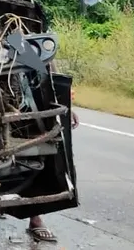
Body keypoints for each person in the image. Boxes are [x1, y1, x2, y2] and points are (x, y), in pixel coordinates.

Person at [26, 90, 79, 244]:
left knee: (41, 153)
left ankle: (35, 216)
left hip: (26, 97)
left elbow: (48, 72)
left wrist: (68, 108)